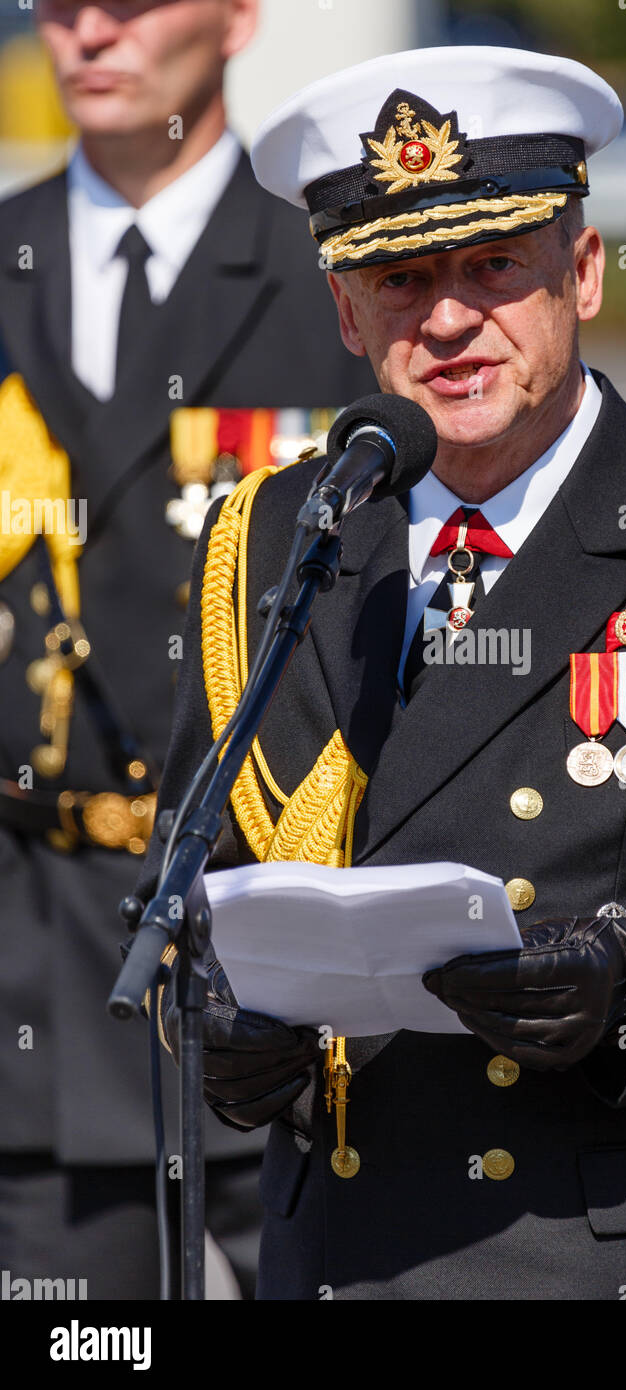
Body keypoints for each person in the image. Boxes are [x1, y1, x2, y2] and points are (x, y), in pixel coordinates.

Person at [139, 45, 626, 1300]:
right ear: (345, 314)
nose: (446, 319)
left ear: (583, 270)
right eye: (397, 279)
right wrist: (229, 1034)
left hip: (617, 1254)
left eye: (491, 266)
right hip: (348, 1254)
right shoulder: (274, 543)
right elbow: (191, 893)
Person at [0, 0, 371, 1299]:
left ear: (237, 18)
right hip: (40, 964)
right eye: (60, 6)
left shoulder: (344, 274)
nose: (89, 34)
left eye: (134, 3)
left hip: (282, 946)